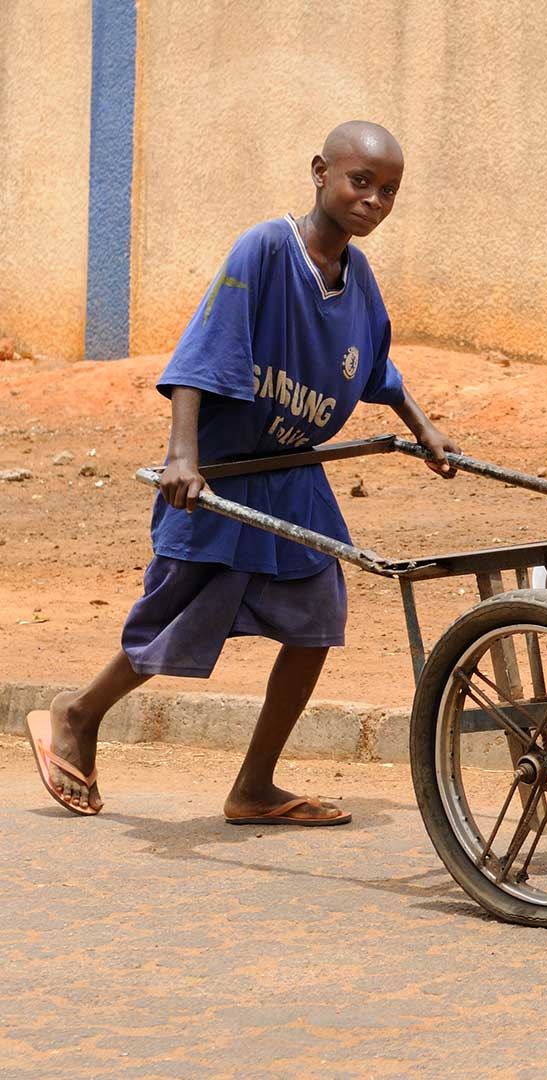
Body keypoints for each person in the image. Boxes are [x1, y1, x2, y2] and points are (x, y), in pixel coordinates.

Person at [25, 121, 460, 826]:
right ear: (320, 171)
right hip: (221, 473)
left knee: (317, 619)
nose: (374, 200)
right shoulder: (264, 249)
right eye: (361, 181)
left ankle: (254, 786)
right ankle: (76, 714)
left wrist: (423, 426)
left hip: (294, 474)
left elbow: (375, 367)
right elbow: (203, 352)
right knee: (178, 620)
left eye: (389, 192)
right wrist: (182, 457)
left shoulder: (356, 276)